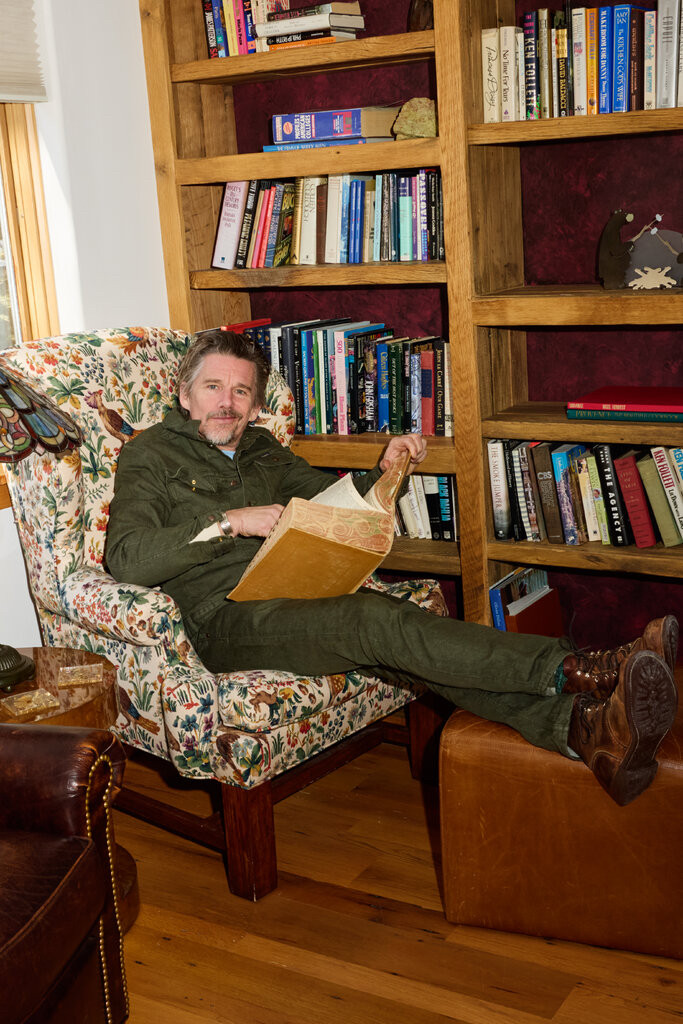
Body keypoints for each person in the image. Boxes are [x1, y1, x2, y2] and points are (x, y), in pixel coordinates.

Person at [106, 329, 679, 807]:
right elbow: (127, 557)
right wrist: (231, 521)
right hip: (225, 618)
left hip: (294, 589)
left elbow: (333, 500)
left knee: (401, 635)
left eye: (240, 391)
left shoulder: (263, 451)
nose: (225, 402)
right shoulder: (151, 453)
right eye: (212, 387)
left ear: (256, 406)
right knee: (375, 622)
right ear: (186, 394)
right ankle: (579, 670)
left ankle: (584, 732)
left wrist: (385, 470)